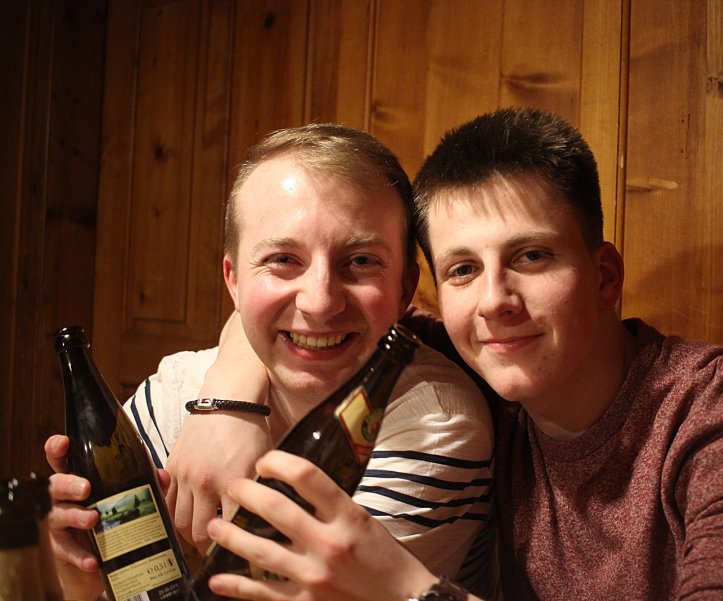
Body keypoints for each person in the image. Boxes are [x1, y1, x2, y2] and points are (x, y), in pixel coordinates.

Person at [196, 107, 723, 601]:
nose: (494, 302)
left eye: (531, 257)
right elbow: (314, 316)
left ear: (604, 277)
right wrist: (225, 408)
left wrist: (405, 589)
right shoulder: (480, 358)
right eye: (462, 269)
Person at [43, 124, 497, 600]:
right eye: (282, 259)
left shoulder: (436, 423)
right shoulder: (175, 392)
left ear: (405, 289)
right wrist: (78, 582)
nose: (320, 302)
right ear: (233, 280)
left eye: (361, 261)